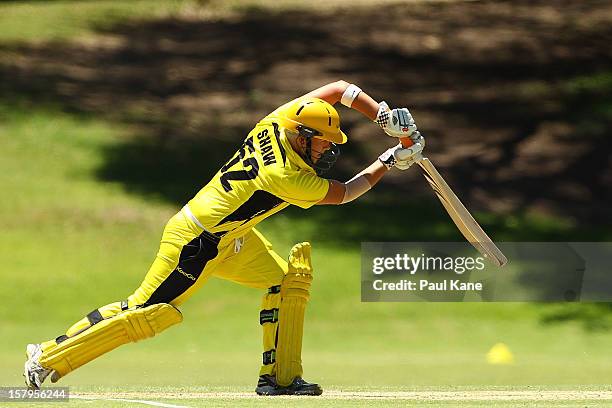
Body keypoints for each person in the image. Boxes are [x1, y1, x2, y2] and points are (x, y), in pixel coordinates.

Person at [23, 80, 424, 396]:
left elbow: (339, 90)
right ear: (302, 136)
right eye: (321, 143)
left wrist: (382, 116)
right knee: (148, 312)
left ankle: (280, 379)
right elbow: (346, 193)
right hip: (196, 240)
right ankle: (48, 356)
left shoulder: (278, 119)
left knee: (286, 284)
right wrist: (390, 160)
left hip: (234, 238)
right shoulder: (285, 177)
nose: (325, 151)